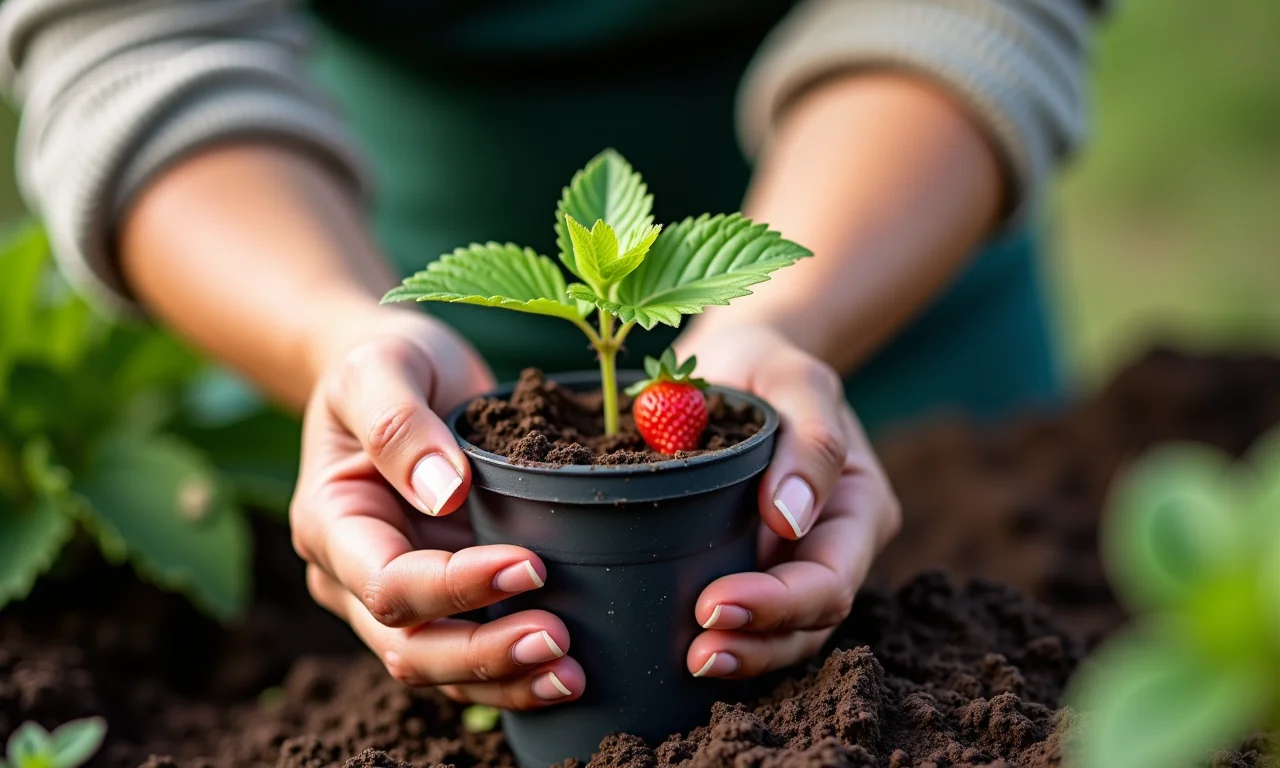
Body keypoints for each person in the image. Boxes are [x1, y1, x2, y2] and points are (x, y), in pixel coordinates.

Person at [0, 0, 1101, 709]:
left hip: (889, 247)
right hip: (323, 233)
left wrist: (786, 320)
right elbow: (130, 35)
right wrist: (340, 334)